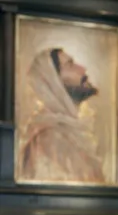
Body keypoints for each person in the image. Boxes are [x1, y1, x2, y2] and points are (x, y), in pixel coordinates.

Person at [16, 47, 105, 185]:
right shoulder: (47, 139)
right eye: (70, 64)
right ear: (54, 82)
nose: (82, 69)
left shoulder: (76, 131)